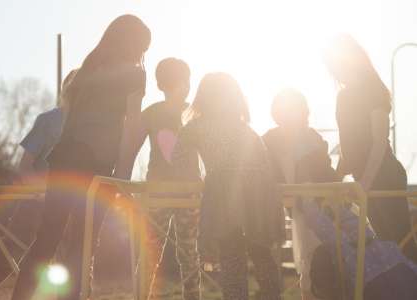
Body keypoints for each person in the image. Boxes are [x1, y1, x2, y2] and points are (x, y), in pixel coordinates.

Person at [10, 15, 151, 300]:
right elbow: (133, 125)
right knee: (83, 244)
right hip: (96, 166)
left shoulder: (88, 68)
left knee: (46, 240)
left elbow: (70, 120)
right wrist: (121, 176)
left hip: (63, 161)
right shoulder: (135, 73)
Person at [0, 70, 76, 300]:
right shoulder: (50, 120)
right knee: (8, 251)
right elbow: (26, 163)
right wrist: (36, 191)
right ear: (67, 90)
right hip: (37, 200)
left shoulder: (86, 126)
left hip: (68, 201)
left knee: (68, 256)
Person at [171, 73, 284, 300]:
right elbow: (264, 162)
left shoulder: (197, 126)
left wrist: (193, 179)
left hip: (225, 193)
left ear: (202, 98)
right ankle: (272, 295)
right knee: (262, 253)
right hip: (259, 192)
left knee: (231, 253)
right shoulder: (246, 130)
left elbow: (178, 159)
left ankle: (237, 296)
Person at [324, 34, 417, 262]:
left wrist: (365, 182)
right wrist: (337, 178)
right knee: (387, 243)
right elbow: (349, 144)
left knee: (400, 240)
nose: (336, 71)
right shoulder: (343, 96)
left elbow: (378, 141)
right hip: (364, 178)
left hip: (384, 174)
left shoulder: (373, 90)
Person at [114, 58, 201, 300]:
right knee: (180, 252)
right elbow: (131, 145)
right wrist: (123, 181)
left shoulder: (191, 113)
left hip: (180, 191)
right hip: (168, 191)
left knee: (171, 251)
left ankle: (148, 296)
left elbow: (129, 148)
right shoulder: (171, 113)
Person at [262, 88, 339, 300]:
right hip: (287, 205)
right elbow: (263, 171)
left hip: (318, 206)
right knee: (301, 259)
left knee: (316, 258)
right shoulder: (269, 140)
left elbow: (325, 171)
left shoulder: (311, 137)